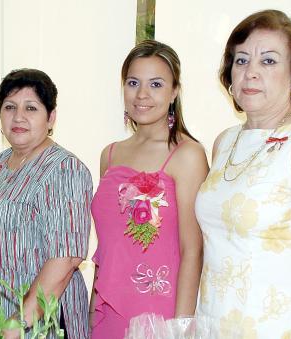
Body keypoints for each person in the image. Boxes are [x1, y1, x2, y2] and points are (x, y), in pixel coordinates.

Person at [195, 9, 291, 338]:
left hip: (281, 328)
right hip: (213, 326)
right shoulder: (225, 142)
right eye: (242, 60)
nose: (250, 73)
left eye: (269, 61)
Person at [89, 40, 208, 338]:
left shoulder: (187, 154)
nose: (142, 94)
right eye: (133, 83)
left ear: (174, 91)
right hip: (107, 309)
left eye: (156, 84)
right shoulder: (111, 154)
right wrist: (91, 310)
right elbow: (107, 246)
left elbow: (193, 250)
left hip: (160, 315)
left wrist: (179, 329)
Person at [0, 69, 93, 339]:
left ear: (51, 117)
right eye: (10, 107)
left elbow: (66, 257)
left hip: (39, 323)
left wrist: (17, 324)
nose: (18, 116)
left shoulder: (64, 168)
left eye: (31, 108)